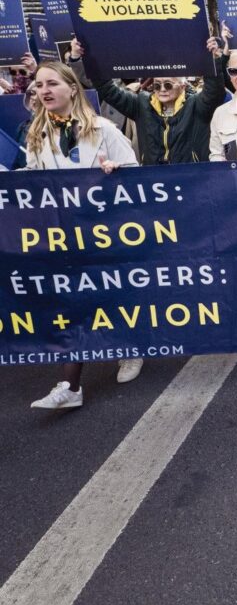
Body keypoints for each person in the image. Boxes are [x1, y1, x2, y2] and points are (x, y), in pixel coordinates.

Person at [25, 63, 141, 407]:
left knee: (111, 296)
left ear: (72, 88)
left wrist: (114, 173)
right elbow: (32, 183)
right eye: (38, 85)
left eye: (52, 83)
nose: (44, 90)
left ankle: (130, 348)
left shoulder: (103, 129)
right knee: (72, 303)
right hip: (63, 236)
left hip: (103, 232)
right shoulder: (36, 135)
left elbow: (136, 179)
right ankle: (70, 385)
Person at [85, 38, 224, 165]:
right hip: (154, 180)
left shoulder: (196, 105)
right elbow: (108, 91)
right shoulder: (141, 104)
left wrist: (213, 59)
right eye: (157, 85)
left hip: (192, 178)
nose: (162, 89)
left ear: (182, 86)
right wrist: (90, 57)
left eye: (168, 85)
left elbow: (215, 92)